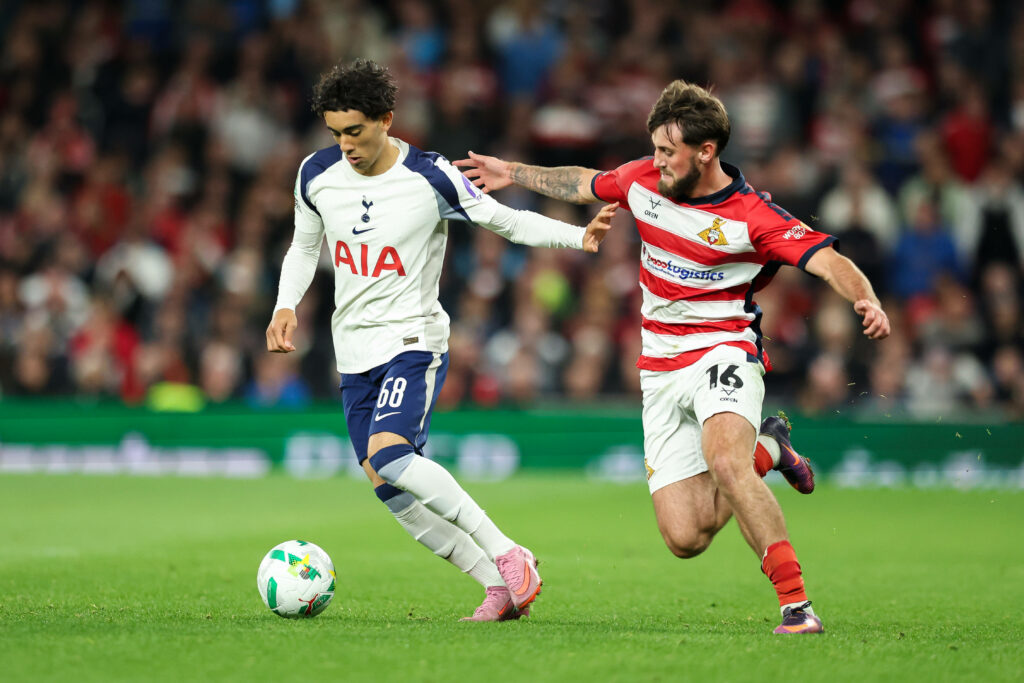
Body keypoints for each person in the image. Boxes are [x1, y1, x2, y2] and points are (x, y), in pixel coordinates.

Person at [455, 80, 891, 634]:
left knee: (726, 465)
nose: (656, 161)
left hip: (724, 348)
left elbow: (827, 259)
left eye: (668, 152)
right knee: (687, 537)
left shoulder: (752, 216)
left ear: (705, 151)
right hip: (660, 366)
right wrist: (513, 172)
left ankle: (797, 607)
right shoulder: (642, 179)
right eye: (655, 149)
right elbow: (583, 183)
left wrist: (866, 298)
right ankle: (770, 450)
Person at [266, 59, 610, 622]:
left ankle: (507, 552)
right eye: (336, 132)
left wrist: (579, 238)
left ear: (386, 119)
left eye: (356, 130)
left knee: (392, 455)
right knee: (389, 488)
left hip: (412, 340)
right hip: (352, 353)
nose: (346, 144)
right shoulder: (315, 174)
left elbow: (506, 221)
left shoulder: (431, 176)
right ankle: (496, 587)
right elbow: (305, 248)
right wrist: (285, 304)